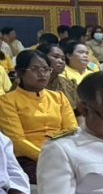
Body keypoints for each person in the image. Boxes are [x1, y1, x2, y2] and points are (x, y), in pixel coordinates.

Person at [0, 50, 78, 182]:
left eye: (46, 69)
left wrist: (62, 153)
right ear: (20, 72)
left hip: (62, 152)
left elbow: (72, 130)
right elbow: (17, 141)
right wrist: (47, 156)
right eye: (35, 69)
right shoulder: (6, 101)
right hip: (28, 157)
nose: (42, 74)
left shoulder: (58, 97)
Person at [38, 44, 78, 109]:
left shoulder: (69, 84)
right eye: (56, 57)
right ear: (41, 58)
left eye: (63, 59)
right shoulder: (28, 83)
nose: (61, 61)